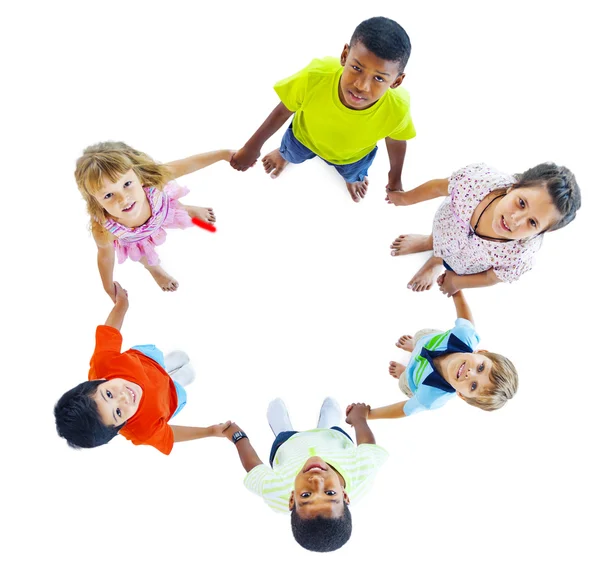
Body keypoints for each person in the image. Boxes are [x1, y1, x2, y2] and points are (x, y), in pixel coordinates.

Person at [230, 16, 415, 202]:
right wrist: (252, 147)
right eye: (357, 68)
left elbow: (396, 140)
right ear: (344, 55)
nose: (362, 86)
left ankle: (350, 179)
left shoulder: (397, 107)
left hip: (352, 158)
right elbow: (283, 111)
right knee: (291, 153)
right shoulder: (315, 76)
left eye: (379, 78)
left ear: (397, 81)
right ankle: (284, 155)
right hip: (302, 138)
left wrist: (395, 175)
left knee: (353, 174)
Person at [54, 282, 230, 454]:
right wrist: (210, 431)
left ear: (97, 381)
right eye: (118, 412)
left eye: (108, 394)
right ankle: (177, 380)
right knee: (187, 378)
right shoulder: (142, 431)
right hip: (167, 397)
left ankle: (166, 365)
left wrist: (122, 304)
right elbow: (169, 435)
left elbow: (110, 330)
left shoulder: (103, 363)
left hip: (146, 363)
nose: (123, 398)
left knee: (170, 356)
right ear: (120, 426)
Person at [387, 162, 581, 294]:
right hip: (448, 225)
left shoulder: (520, 255)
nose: (515, 220)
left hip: (465, 261)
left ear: (541, 232)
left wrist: (456, 282)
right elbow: (438, 187)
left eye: (532, 223)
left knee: (450, 260)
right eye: (521, 203)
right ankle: (429, 241)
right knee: (440, 236)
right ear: (513, 187)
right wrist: (405, 199)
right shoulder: (478, 182)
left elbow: (491, 277)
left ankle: (436, 262)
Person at [223, 398, 388, 552]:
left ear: (291, 499)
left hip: (289, 444)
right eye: (330, 493)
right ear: (345, 495)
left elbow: (254, 467)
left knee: (283, 434)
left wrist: (238, 437)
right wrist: (359, 419)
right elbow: (367, 446)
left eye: (306, 495)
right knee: (328, 427)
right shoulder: (363, 475)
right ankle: (328, 422)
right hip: (332, 438)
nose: (316, 480)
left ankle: (282, 426)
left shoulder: (276, 492)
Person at [75, 141, 233, 299]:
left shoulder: (153, 180)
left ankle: (188, 209)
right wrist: (108, 286)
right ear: (97, 202)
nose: (124, 199)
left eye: (127, 184)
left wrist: (224, 154)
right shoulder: (104, 229)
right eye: (108, 195)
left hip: (161, 211)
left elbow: (189, 164)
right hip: (136, 239)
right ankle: (154, 269)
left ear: (139, 178)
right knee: (144, 255)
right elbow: (105, 256)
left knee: (170, 204)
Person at [369, 290, 518, 419]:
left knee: (404, 381)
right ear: (481, 352)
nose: (469, 374)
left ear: (462, 395)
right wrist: (456, 290)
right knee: (421, 335)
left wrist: (368, 415)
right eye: (480, 368)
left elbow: (404, 409)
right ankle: (415, 348)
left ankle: (406, 370)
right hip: (428, 340)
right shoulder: (464, 336)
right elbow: (465, 319)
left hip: (412, 380)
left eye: (473, 386)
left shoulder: (430, 396)